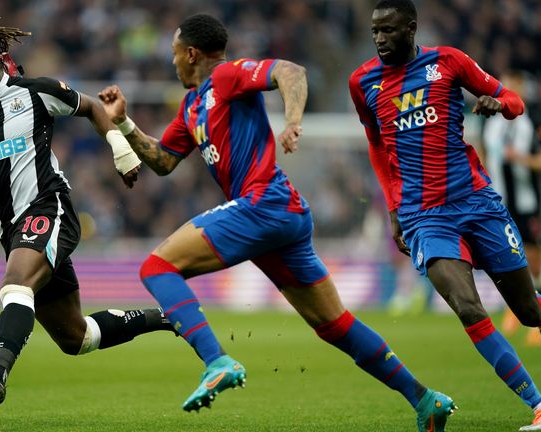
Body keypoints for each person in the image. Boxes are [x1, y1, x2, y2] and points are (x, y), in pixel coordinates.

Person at [99, 13, 456, 432]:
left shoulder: (228, 77)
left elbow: (290, 71)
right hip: (280, 217)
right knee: (335, 325)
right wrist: (123, 122)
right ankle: (425, 399)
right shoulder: (192, 105)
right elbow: (162, 161)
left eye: (176, 53)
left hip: (264, 203)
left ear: (192, 53)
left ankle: (217, 360)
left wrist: (292, 121)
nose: (173, 62)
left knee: (156, 267)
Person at [348, 1, 541, 430]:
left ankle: (540, 314)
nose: (379, 39)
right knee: (468, 308)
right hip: (423, 216)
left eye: (389, 30)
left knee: (521, 308)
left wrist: (495, 103)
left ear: (411, 28)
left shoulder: (447, 62)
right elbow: (376, 144)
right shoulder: (362, 82)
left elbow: (514, 100)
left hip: (477, 203)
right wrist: (393, 205)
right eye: (375, 31)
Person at [0, 18, 174, 407]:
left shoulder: (36, 94)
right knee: (76, 338)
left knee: (15, 285)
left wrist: (121, 149)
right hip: (11, 230)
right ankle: (168, 317)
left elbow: (93, 108)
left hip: (50, 209)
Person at [479, 70, 541, 346]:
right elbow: (482, 157)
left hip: (528, 204)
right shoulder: (488, 118)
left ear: (523, 87)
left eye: (515, 83)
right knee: (504, 259)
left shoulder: (534, 118)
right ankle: (516, 310)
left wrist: (521, 158)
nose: (509, 87)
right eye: (506, 82)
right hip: (498, 203)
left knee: (534, 262)